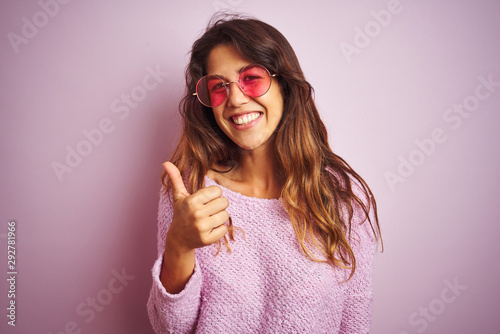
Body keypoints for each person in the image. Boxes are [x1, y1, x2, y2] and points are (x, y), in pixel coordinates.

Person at [147, 14, 382, 334]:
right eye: (219, 87)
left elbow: (355, 318)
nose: (236, 99)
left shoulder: (339, 195)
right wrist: (179, 244)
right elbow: (169, 328)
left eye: (251, 78)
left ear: (284, 84)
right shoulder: (190, 192)